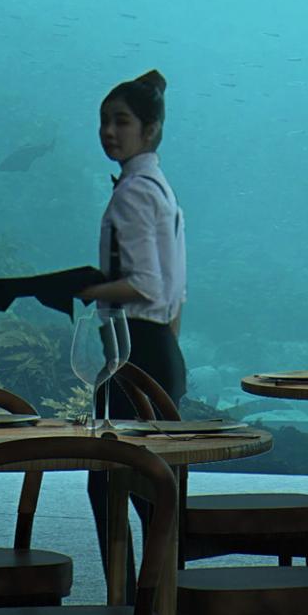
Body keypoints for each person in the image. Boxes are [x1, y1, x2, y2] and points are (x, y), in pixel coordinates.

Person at [76, 69, 188, 408]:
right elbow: (175, 293)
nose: (108, 131)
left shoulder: (133, 192)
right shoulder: (158, 187)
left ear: (150, 129)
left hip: (134, 355)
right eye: (104, 121)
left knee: (116, 456)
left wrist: (84, 290)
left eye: (121, 121)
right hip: (161, 355)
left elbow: (146, 285)